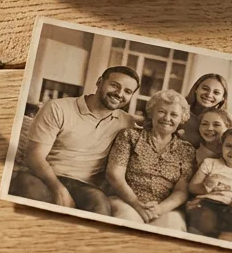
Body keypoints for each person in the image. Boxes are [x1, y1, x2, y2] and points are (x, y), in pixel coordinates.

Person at [8, 66, 140, 214]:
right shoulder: (57, 108)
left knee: (100, 205)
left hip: (85, 186)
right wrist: (58, 189)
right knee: (28, 192)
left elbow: (157, 126)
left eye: (128, 91)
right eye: (114, 85)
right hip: (42, 176)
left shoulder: (126, 122)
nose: (119, 94)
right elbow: (34, 157)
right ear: (99, 82)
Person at [105, 90, 197, 230]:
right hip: (126, 201)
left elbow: (181, 191)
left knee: (174, 225)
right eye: (161, 111)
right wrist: (136, 204)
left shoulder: (187, 150)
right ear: (151, 113)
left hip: (162, 208)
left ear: (181, 119)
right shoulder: (130, 136)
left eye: (174, 115)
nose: (167, 118)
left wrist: (159, 209)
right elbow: (114, 175)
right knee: (128, 221)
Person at [186, 126, 232, 244]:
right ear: (222, 147)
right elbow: (193, 187)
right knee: (202, 218)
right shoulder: (210, 163)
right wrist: (207, 186)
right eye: (229, 146)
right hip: (210, 203)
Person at [181, 73, 230, 148]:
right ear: (196, 89)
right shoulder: (179, 109)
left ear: (223, 98)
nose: (209, 95)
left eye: (216, 92)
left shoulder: (224, 120)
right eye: (205, 89)